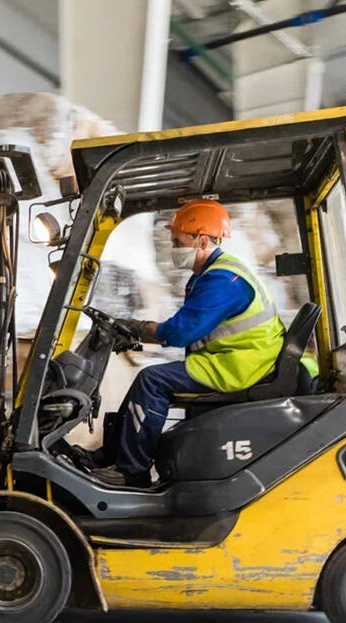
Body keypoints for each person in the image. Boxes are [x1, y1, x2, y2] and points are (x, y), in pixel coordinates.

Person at [91, 199, 285, 487]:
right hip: (231, 357)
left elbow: (181, 332)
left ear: (202, 240)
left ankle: (132, 471)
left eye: (178, 240)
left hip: (239, 365)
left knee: (151, 380)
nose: (173, 247)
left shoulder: (222, 280)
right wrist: (139, 333)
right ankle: (111, 455)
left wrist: (137, 329)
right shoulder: (214, 273)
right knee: (150, 378)